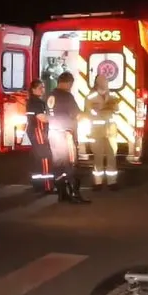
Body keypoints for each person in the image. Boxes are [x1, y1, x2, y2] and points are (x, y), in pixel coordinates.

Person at [47, 72, 91, 204]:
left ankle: (62, 194)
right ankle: (74, 194)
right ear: (68, 83)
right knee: (71, 164)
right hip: (65, 135)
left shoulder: (50, 95)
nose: (71, 87)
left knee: (58, 165)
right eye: (71, 84)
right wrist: (88, 116)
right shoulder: (67, 96)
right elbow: (76, 114)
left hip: (53, 133)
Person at [84, 74, 120, 190]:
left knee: (112, 157)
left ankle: (112, 182)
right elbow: (88, 113)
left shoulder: (113, 95)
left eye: (106, 80)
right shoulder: (91, 97)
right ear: (97, 82)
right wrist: (98, 111)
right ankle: (98, 183)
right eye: (103, 80)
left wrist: (114, 108)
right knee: (98, 158)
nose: (105, 82)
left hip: (111, 132)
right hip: (97, 132)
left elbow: (118, 112)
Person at [25, 79, 54, 193]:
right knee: (45, 158)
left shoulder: (34, 101)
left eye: (43, 87)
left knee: (37, 159)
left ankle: (38, 185)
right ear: (33, 89)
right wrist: (54, 118)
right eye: (40, 88)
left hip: (36, 132)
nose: (43, 89)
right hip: (39, 132)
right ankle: (48, 186)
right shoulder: (35, 102)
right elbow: (42, 117)